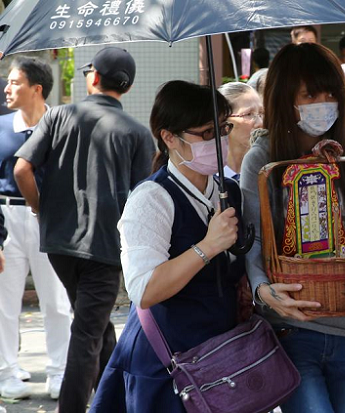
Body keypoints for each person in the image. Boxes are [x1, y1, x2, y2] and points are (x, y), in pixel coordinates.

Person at [240, 42, 345, 413]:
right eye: (309, 94)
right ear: (286, 99)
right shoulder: (263, 161)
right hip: (293, 328)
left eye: (331, 92)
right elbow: (252, 240)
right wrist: (263, 290)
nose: (323, 102)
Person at [13, 47, 155, 413]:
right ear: (127, 85)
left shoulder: (58, 116)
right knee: (88, 332)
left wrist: (38, 206)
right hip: (105, 247)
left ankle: (115, 400)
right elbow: (144, 196)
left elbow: (22, 169)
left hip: (59, 243)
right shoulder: (138, 134)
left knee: (94, 323)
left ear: (93, 77)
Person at [90, 80, 241, 412]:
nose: (219, 140)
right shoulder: (152, 198)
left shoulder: (229, 189)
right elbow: (143, 289)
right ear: (170, 137)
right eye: (206, 132)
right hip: (167, 365)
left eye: (224, 127)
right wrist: (208, 246)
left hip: (222, 357)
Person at [0, 58, 71, 401]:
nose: (6, 88)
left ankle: (59, 372)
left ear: (36, 88)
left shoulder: (64, 125)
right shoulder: (0, 127)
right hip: (6, 218)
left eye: (14, 82)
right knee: (4, 301)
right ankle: (7, 371)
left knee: (57, 301)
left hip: (51, 218)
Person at [218, 82, 263, 178]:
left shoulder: (267, 172)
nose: (260, 123)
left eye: (261, 113)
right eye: (248, 114)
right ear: (224, 122)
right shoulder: (210, 177)